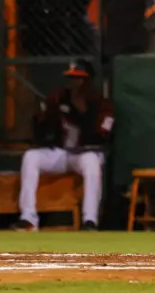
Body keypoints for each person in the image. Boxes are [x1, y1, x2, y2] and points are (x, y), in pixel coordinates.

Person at [13, 60, 114, 232]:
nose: (75, 83)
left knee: (91, 163)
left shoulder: (103, 105)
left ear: (89, 81)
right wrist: (46, 113)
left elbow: (102, 135)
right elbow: (41, 126)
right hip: (61, 153)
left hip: (86, 154)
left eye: (80, 79)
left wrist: (82, 112)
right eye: (72, 78)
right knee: (31, 157)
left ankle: (89, 220)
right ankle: (28, 218)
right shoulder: (59, 97)